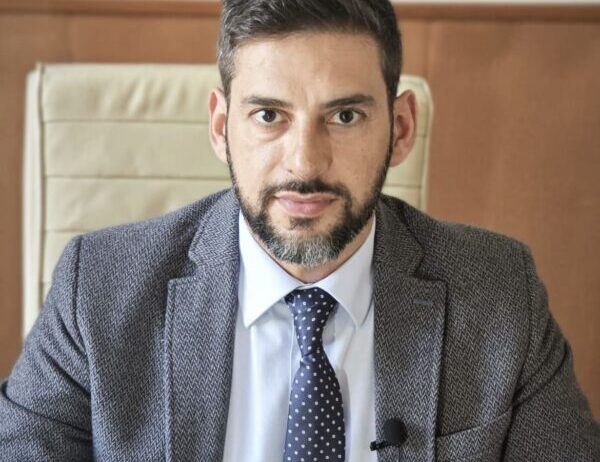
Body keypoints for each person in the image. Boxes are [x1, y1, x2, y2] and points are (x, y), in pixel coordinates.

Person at [1, 0, 599, 460]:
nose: (305, 163)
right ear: (221, 127)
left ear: (399, 129)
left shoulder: (499, 296)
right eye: (269, 115)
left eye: (345, 116)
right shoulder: (96, 291)